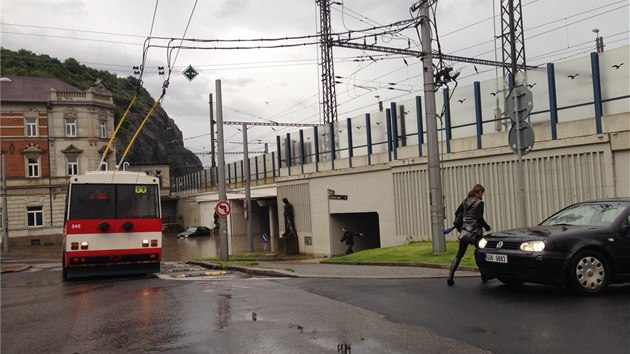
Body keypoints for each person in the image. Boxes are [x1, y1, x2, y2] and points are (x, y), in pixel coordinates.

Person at [447, 184, 491, 286]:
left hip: (465, 232)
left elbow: (457, 212)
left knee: (459, 255)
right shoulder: (480, 203)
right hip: (475, 233)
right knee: (480, 253)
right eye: (482, 192)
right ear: (479, 192)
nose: (482, 195)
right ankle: (484, 275)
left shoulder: (465, 201)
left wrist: (463, 225)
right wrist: (487, 226)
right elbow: (479, 218)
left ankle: (450, 276)